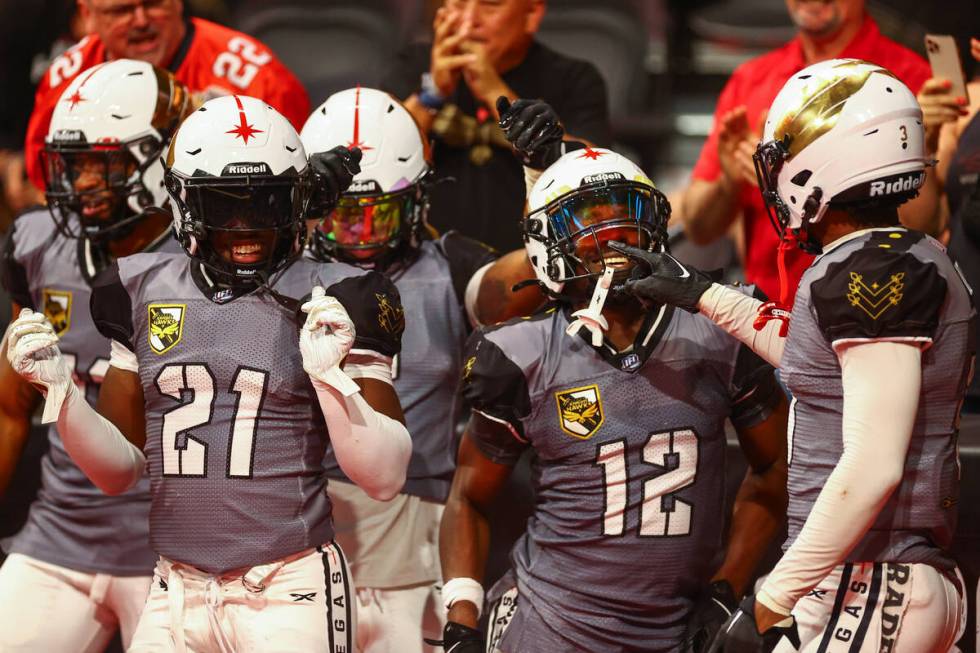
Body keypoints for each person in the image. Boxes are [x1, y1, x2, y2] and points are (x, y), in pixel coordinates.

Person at [5, 95, 411, 652]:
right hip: (175, 588)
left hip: (287, 589)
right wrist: (64, 396)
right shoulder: (138, 287)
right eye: (223, 206)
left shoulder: (343, 293)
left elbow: (384, 478)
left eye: (265, 204)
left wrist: (330, 379)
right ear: (185, 206)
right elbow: (118, 474)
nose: (245, 227)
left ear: (294, 204)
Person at [617, 59, 973, 652]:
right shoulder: (900, 254)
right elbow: (818, 360)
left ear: (827, 162)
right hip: (877, 577)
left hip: (870, 578)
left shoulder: (871, 270)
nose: (775, 174)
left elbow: (872, 467)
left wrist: (770, 600)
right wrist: (701, 293)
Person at [433, 103, 791, 651]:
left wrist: (725, 590)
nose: (613, 235)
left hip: (675, 629)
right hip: (549, 624)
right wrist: (461, 617)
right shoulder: (522, 351)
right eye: (589, 223)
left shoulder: (719, 328)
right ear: (545, 245)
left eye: (624, 214)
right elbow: (469, 497)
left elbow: (773, 471)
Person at [299, 86, 544, 653]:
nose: (358, 235)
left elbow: (524, 280)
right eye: (342, 214)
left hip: (421, 533)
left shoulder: (449, 266)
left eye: (376, 213)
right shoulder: (278, 270)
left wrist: (538, 177)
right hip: (299, 535)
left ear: (416, 201)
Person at [0, 58, 192, 653]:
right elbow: (10, 408)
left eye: (100, 164)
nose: (79, 183)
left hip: (183, 555)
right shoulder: (37, 245)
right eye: (73, 164)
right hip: (59, 536)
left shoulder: (207, 262)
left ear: (160, 162)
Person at [678, 0, 931, 307]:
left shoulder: (909, 79)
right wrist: (728, 182)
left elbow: (927, 225)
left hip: (873, 308)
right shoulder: (751, 80)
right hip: (767, 319)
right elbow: (697, 228)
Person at [382, 0, 611, 252]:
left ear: (532, 14)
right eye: (458, 4)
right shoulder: (412, 64)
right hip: (423, 260)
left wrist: (494, 91)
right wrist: (432, 94)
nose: (469, 21)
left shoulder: (574, 78)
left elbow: (594, 178)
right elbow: (375, 161)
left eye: (490, 5)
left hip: (528, 265)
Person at [23, 0, 310, 192]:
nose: (140, 20)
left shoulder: (257, 78)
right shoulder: (65, 81)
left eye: (153, 3)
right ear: (87, 15)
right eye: (121, 10)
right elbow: (45, 183)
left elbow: (297, 187)